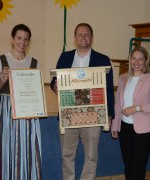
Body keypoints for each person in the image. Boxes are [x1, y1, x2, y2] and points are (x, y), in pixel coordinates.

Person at [50, 23, 115, 180]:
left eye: (87, 34)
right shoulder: (65, 57)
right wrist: (55, 86)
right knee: (67, 155)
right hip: (68, 115)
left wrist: (109, 114)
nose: (83, 37)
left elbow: (108, 88)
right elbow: (54, 81)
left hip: (93, 115)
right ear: (74, 38)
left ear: (92, 37)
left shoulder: (103, 59)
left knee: (91, 156)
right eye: (80, 34)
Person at [0, 24, 42, 180]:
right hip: (5, 111)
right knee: (5, 147)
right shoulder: (0, 60)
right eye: (19, 38)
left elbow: (37, 91)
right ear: (12, 39)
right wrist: (1, 80)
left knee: (27, 148)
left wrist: (35, 109)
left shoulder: (35, 62)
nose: (22, 42)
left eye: (26, 39)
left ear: (29, 41)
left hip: (28, 112)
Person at [111, 46, 150, 180]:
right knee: (128, 166)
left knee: (138, 167)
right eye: (134, 58)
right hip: (124, 128)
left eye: (141, 59)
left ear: (146, 61)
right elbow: (117, 104)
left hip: (144, 130)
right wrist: (115, 125)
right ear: (129, 60)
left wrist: (136, 108)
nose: (137, 62)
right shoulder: (123, 78)